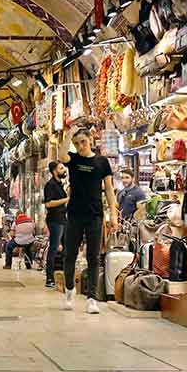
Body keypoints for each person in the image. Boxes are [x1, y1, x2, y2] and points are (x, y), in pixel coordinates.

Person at [61, 128, 118, 315]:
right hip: (75, 214)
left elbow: (109, 189)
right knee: (69, 255)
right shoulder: (74, 159)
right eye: (77, 144)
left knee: (93, 257)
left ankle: (91, 298)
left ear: (91, 140)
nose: (80, 146)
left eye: (83, 142)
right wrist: (68, 134)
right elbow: (62, 156)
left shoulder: (102, 162)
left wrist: (113, 214)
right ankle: (69, 289)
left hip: (95, 215)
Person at [43, 161, 69, 289]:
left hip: (63, 219)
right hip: (55, 220)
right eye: (61, 168)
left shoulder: (59, 184)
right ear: (54, 171)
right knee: (53, 249)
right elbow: (48, 204)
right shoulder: (50, 185)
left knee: (66, 249)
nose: (64, 170)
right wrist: (66, 199)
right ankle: (49, 278)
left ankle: (65, 277)